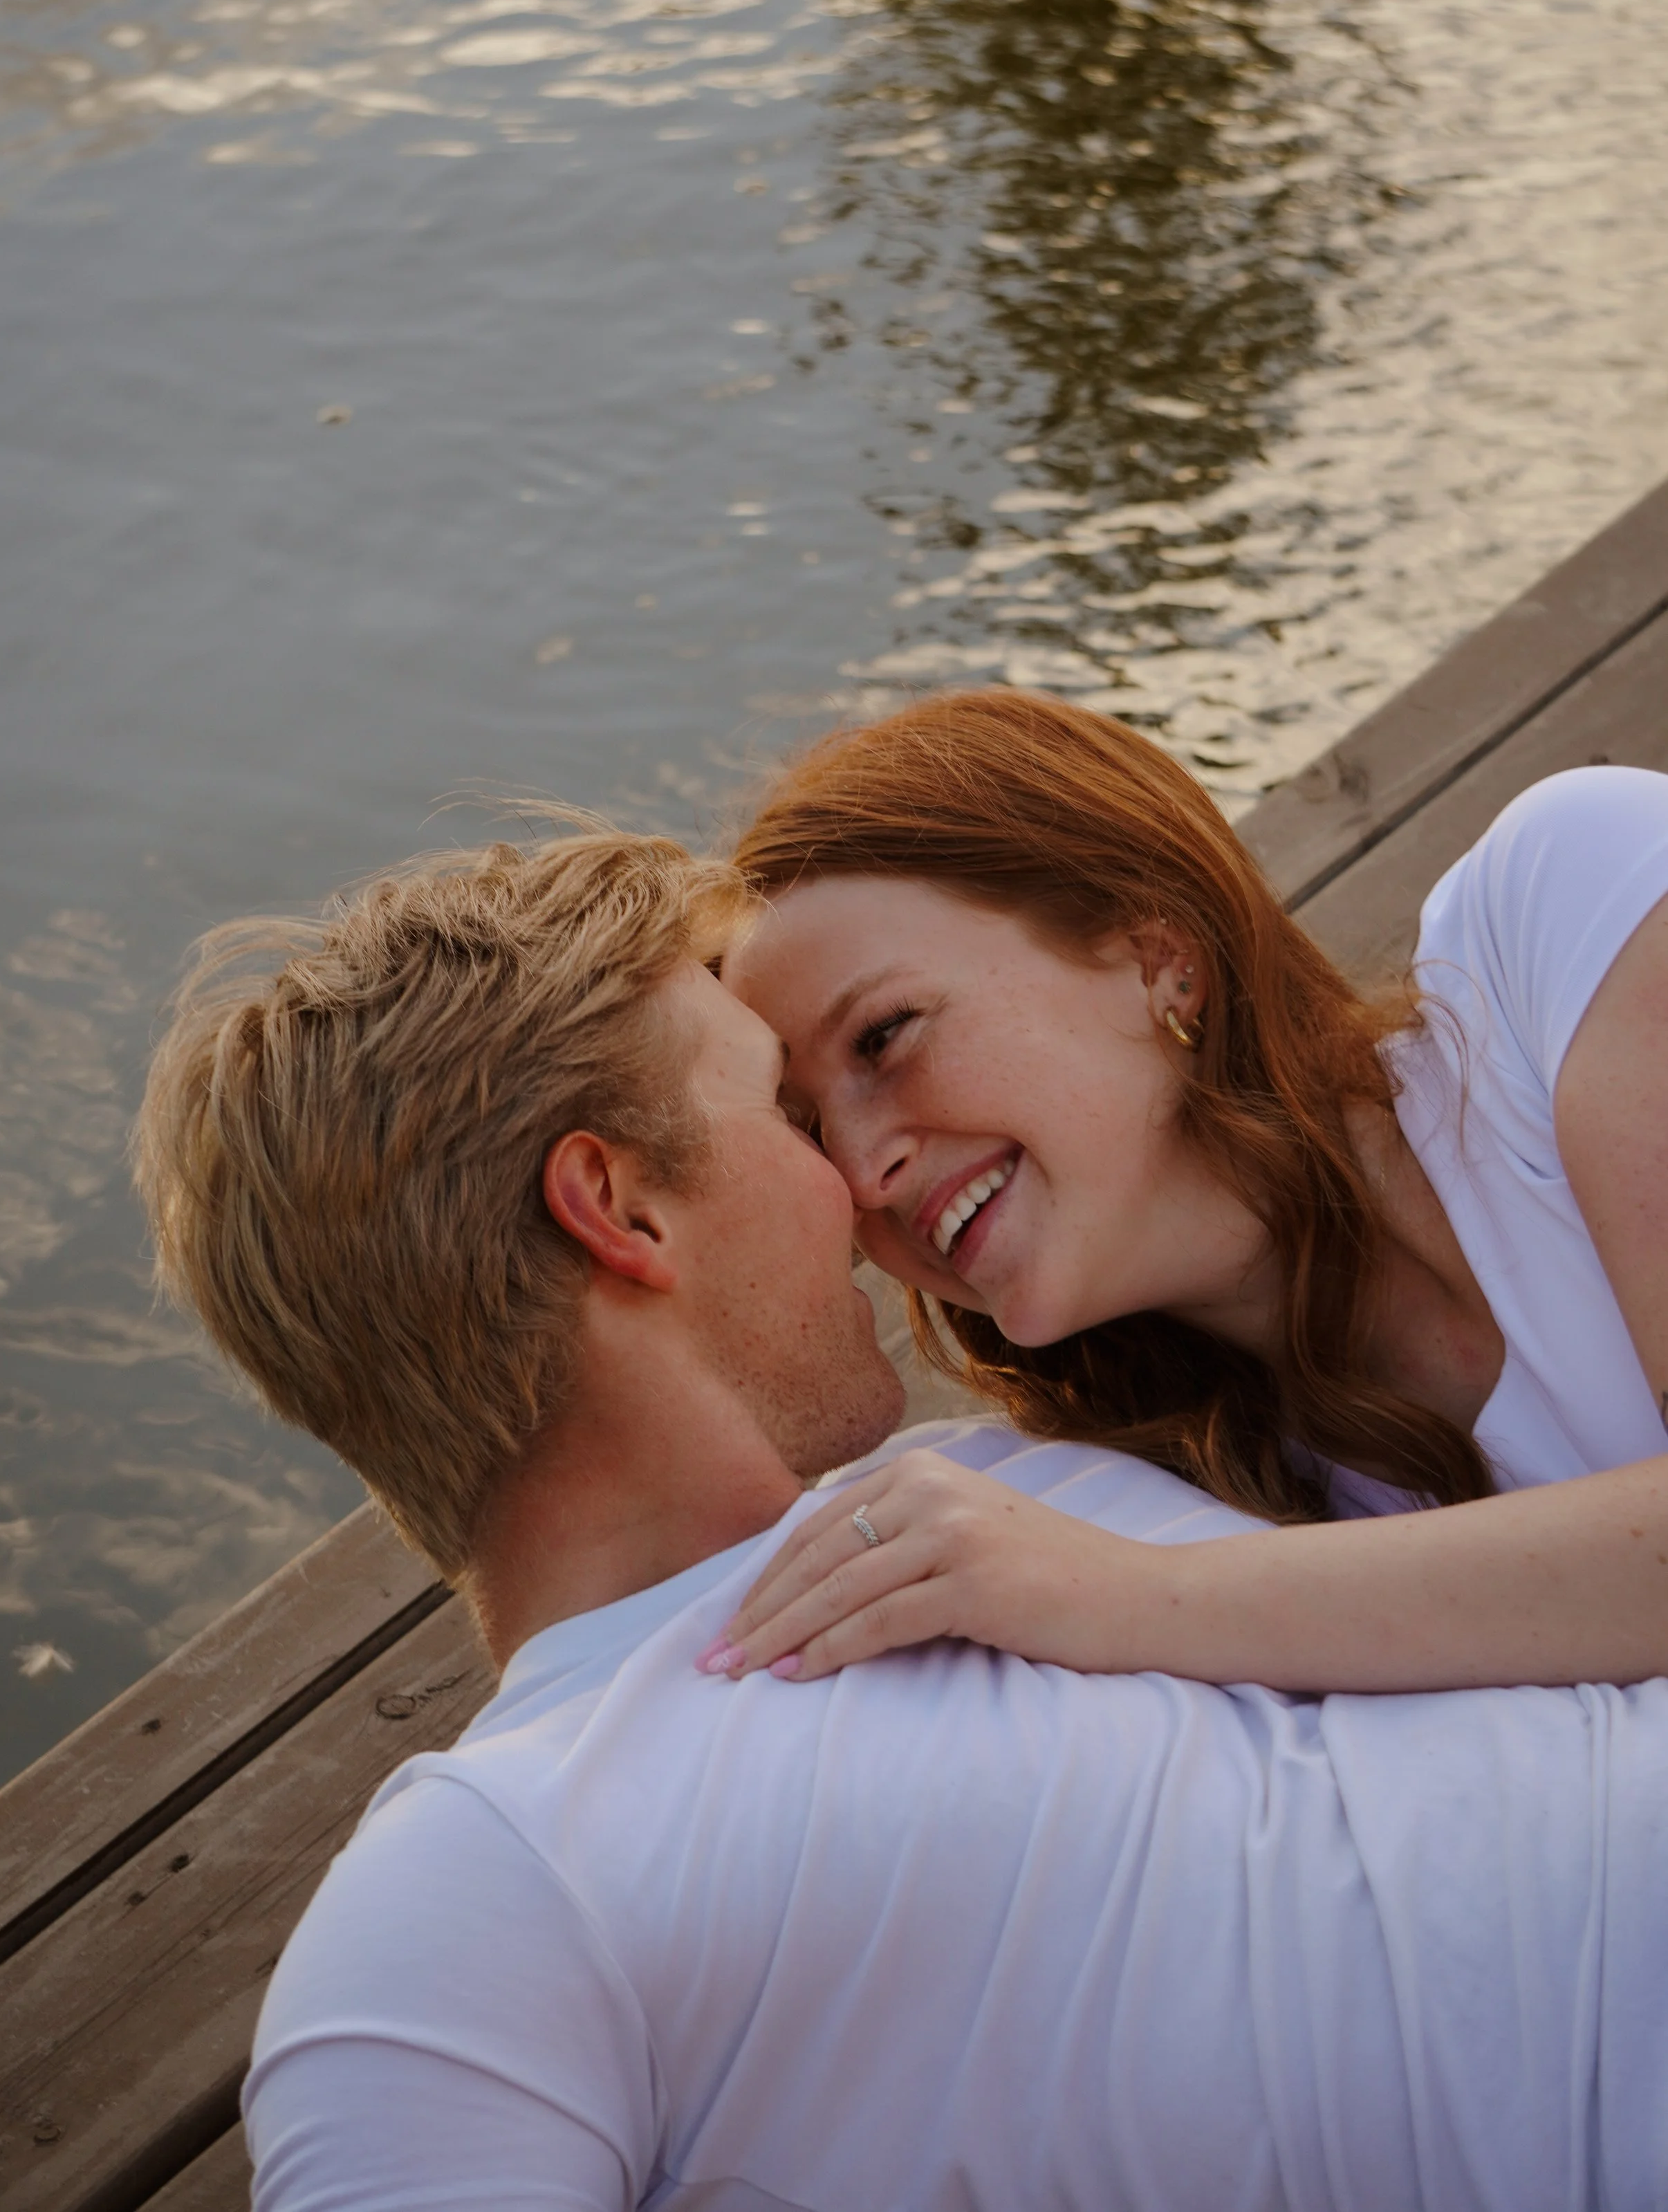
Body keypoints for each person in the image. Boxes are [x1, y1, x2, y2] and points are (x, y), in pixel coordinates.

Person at [134, 827, 1668, 2212]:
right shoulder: (494, 1871)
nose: (856, 1190)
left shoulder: (1040, 1481)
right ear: (621, 1210)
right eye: (782, 1117)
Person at [710, 690, 1668, 1697]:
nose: (862, 1175)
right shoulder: (1171, 1497)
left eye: (884, 1034)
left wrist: (1126, 1597)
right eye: (810, 1130)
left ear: (1157, 954)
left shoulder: (1570, 918)